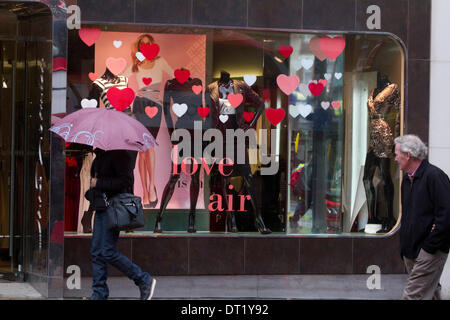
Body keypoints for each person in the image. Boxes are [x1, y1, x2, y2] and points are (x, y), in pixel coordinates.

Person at [85, 148, 156, 300]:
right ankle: (99, 294)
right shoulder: (100, 156)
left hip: (113, 209)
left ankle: (143, 279)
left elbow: (127, 181)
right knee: (96, 252)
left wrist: (99, 182)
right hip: (101, 208)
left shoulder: (120, 155)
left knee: (107, 251)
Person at [394, 134, 450, 300]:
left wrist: (430, 246)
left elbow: (446, 215)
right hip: (411, 251)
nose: (395, 158)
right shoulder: (407, 179)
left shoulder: (435, 177)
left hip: (430, 251)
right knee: (431, 293)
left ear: (408, 155)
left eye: (397, 154)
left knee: (412, 296)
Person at [124, 34, 174, 208]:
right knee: (141, 149)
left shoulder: (160, 61)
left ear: (152, 45)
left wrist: (162, 96)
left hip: (154, 104)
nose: (145, 46)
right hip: (139, 104)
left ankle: (151, 188)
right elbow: (121, 77)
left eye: (148, 43)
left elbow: (175, 76)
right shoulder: (137, 63)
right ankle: (145, 191)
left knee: (149, 145)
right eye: (142, 44)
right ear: (139, 46)